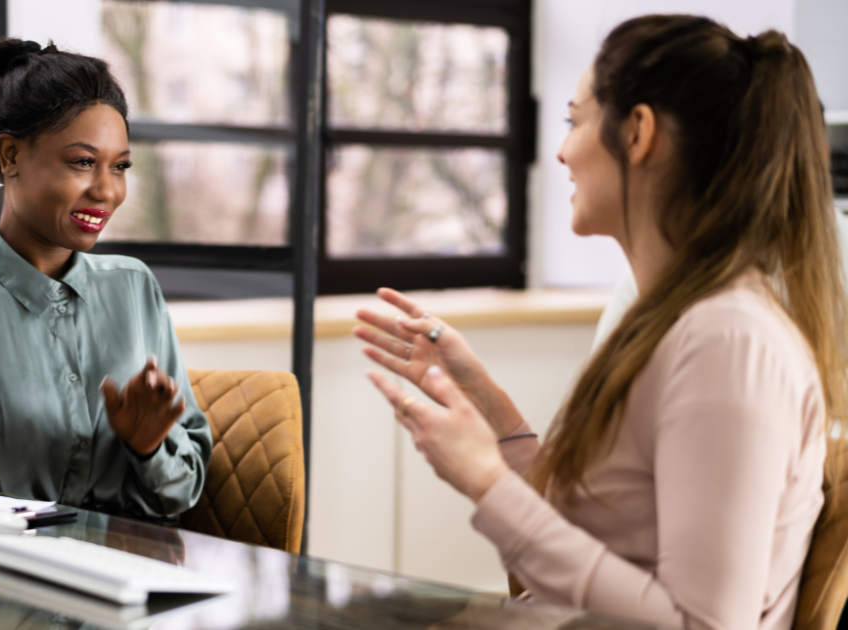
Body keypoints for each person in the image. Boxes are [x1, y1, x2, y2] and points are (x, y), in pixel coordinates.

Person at [356, 15, 847, 630]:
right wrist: (489, 405)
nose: (561, 150)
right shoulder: (675, 321)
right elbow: (601, 531)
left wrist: (487, 482)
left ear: (637, 132)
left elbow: (705, 623)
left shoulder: (731, 342)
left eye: (575, 120)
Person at [0, 39, 211, 523]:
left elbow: (182, 491)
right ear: (10, 156)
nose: (107, 190)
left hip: (116, 581)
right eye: (83, 162)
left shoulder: (133, 288)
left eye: (121, 166)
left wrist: (149, 446)